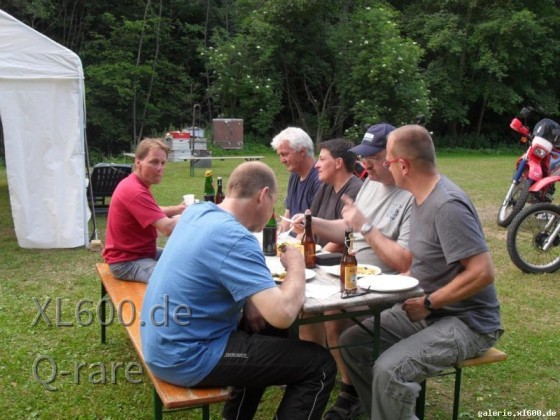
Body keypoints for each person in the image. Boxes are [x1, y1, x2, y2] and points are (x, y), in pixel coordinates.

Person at [140, 161, 336, 420]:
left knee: (271, 331)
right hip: (187, 355)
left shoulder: (198, 212)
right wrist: (296, 266)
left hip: (163, 341)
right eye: (273, 204)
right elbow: (285, 313)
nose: (272, 213)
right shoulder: (235, 237)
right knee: (319, 365)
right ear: (263, 195)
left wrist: (249, 300)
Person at [339, 125, 502, 419]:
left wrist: (429, 302)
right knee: (354, 343)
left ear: (403, 165)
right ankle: (385, 412)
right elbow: (428, 259)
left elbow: (482, 273)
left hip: (467, 321)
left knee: (391, 370)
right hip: (431, 310)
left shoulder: (447, 205)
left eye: (387, 162)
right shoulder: (418, 197)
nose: (385, 168)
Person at [291, 123, 414, 420]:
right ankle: (316, 376)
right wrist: (312, 223)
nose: (365, 162)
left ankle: (351, 391)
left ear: (395, 156)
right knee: (307, 308)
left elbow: (405, 263)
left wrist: (364, 229)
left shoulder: (410, 195)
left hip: (382, 285)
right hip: (352, 272)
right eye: (363, 155)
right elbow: (348, 228)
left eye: (373, 156)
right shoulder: (370, 184)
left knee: (334, 322)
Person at [103, 138, 185, 283]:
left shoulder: (135, 184)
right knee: (175, 280)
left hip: (143, 253)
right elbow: (168, 228)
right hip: (127, 261)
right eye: (154, 162)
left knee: (188, 260)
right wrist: (194, 217)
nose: (159, 168)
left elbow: (153, 210)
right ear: (138, 162)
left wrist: (179, 209)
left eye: (163, 163)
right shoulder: (135, 190)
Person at [309, 138, 363, 252]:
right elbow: (311, 222)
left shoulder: (355, 190)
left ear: (338, 163)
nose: (316, 165)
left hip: (334, 262)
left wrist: (316, 257)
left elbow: (344, 239)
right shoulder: (325, 186)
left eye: (322, 159)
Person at [271, 126, 322, 233]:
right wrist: (279, 237)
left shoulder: (319, 179)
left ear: (302, 152)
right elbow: (288, 212)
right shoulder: (295, 174)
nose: (281, 160)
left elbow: (312, 227)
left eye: (284, 154)